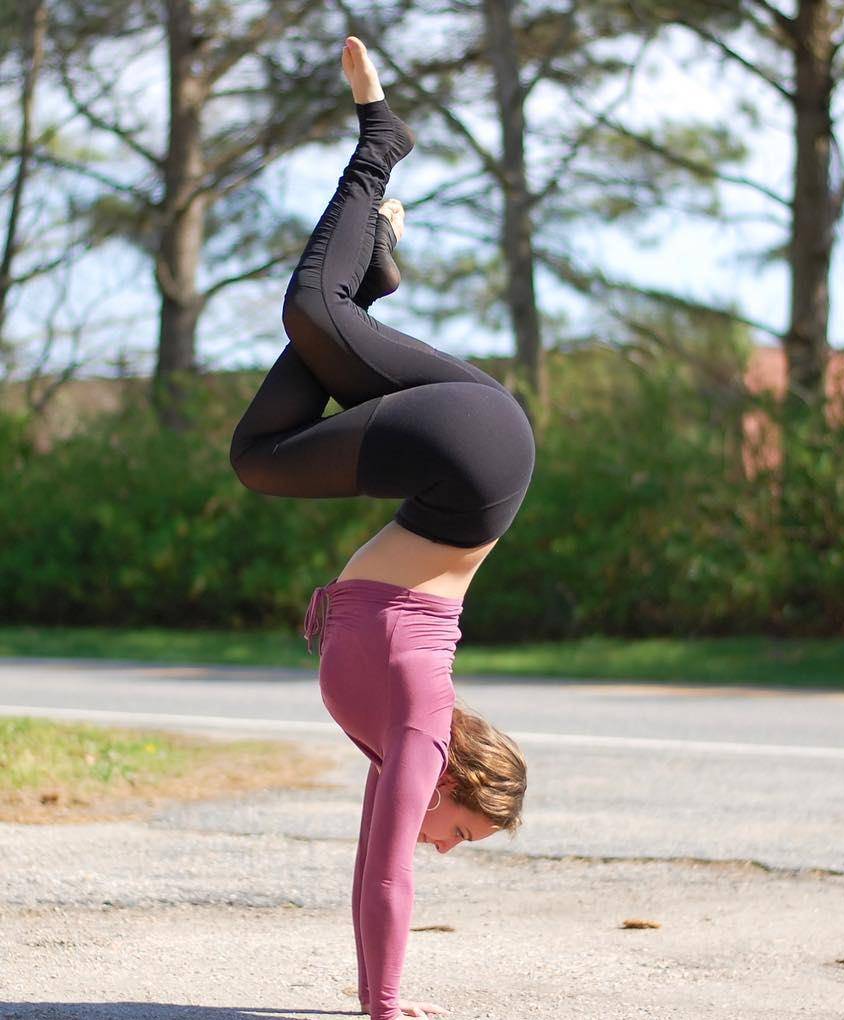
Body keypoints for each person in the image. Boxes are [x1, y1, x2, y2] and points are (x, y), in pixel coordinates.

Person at [228, 36, 535, 1020]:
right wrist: (391, 1015)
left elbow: (370, 866)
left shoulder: (400, 733)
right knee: (311, 312)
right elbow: (392, 882)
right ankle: (380, 141)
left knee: (267, 438)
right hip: (471, 460)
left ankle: (370, 270)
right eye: (461, 831)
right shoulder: (416, 722)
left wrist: (376, 1004)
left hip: (470, 462)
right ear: (456, 776)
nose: (440, 846)